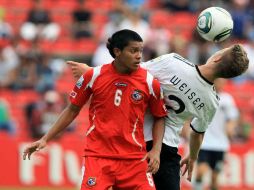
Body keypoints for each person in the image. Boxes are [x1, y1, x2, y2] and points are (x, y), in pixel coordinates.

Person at [67, 43, 249, 190]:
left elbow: (132, 72)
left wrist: (92, 71)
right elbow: (197, 133)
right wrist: (193, 156)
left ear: (216, 57)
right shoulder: (212, 101)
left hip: (133, 142)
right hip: (166, 150)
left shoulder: (174, 62)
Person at [23, 29, 167, 190]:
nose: (139, 56)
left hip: (134, 159)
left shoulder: (149, 82)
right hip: (98, 157)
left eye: (140, 50)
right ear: (117, 51)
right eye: (133, 51)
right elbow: (72, 110)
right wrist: (45, 138)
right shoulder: (94, 76)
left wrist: (156, 150)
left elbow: (160, 116)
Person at [192, 78, 239, 190]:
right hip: (205, 143)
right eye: (219, 81)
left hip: (221, 145)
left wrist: (230, 128)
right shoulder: (204, 96)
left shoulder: (227, 99)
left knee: (214, 177)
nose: (221, 84)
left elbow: (232, 118)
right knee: (201, 171)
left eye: (223, 82)